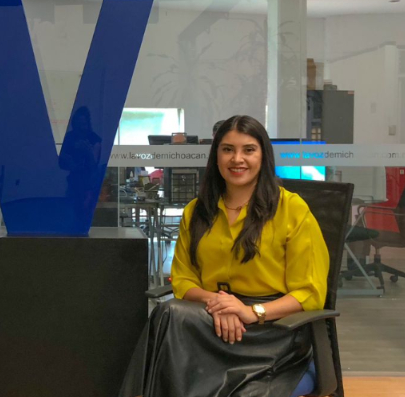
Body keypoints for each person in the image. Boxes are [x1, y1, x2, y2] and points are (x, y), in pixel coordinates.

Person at [119, 115, 328, 397]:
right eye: (228, 149)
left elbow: (310, 293)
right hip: (213, 320)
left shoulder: (291, 209)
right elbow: (183, 280)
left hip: (271, 330)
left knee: (172, 323)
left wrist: (251, 312)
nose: (237, 159)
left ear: (263, 156)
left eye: (248, 150)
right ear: (216, 156)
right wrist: (220, 304)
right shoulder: (197, 211)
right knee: (169, 314)